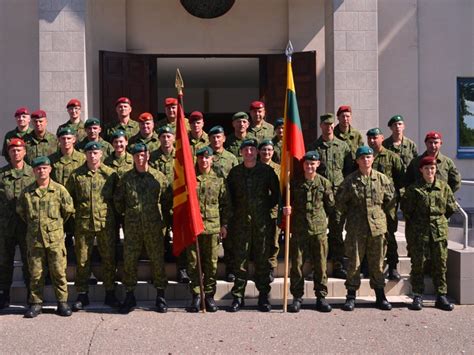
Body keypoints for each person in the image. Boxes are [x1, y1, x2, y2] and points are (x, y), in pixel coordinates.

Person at [336, 146, 396, 311]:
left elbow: (390, 202)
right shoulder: (349, 181)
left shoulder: (383, 180)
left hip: (377, 228)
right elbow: (340, 203)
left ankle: (380, 295)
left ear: (373, 159)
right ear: (357, 161)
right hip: (356, 228)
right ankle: (350, 296)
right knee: (354, 263)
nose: (366, 160)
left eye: (368, 157)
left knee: (377, 263)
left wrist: (385, 223)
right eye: (362, 158)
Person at [114, 143, 171, 314]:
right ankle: (129, 296)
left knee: (157, 261)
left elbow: (167, 201)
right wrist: (129, 216)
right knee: (129, 262)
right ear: (132, 157)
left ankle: (160, 295)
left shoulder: (158, 177)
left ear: (148, 155)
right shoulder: (126, 178)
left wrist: (162, 223)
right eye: (137, 155)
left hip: (154, 228)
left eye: (143, 154)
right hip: (133, 229)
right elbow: (118, 202)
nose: (140, 158)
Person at [17, 156, 75, 318]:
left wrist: (54, 227)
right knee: (36, 273)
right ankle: (36, 303)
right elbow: (22, 213)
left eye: (44, 168)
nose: (41, 171)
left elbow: (68, 211)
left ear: (50, 169)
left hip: (55, 239)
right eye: (38, 169)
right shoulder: (27, 193)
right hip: (35, 240)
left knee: (58, 272)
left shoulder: (60, 190)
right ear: (34, 171)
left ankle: (62, 302)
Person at [66, 141, 120, 311]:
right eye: (89, 153)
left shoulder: (111, 175)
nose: (92, 156)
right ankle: (82, 294)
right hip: (83, 224)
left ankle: (110, 292)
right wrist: (75, 216)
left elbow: (117, 200)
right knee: (82, 260)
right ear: (85, 155)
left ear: (101, 154)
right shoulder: (76, 175)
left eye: (96, 153)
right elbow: (69, 200)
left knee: (109, 259)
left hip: (106, 223)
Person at [227, 139, 280, 312]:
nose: (249, 152)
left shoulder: (266, 171)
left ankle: (263, 297)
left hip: (261, 223)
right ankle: (237, 297)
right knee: (240, 261)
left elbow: (276, 194)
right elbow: (230, 198)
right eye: (246, 149)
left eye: (252, 149)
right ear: (241, 152)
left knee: (262, 261)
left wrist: (263, 208)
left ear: (257, 152)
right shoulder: (235, 173)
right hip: (241, 223)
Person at [401, 156, 457, 311]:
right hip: (419, 232)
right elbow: (407, 210)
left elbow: (450, 208)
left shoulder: (444, 187)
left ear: (436, 170)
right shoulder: (414, 189)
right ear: (421, 170)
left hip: (438, 232)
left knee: (440, 264)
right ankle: (417, 295)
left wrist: (440, 222)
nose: (430, 171)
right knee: (418, 264)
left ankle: (441, 296)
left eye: (432, 168)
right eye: (426, 168)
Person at [283, 151, 335, 313]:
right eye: (307, 163)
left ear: (318, 164)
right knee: (297, 265)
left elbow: (331, 207)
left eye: (313, 163)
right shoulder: (295, 183)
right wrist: (287, 210)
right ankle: (297, 297)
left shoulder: (324, 184)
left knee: (320, 265)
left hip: (318, 231)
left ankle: (321, 297)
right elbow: (286, 202)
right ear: (303, 165)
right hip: (299, 229)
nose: (310, 166)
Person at [307, 113, 353, 279]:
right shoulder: (314, 147)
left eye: (330, 125)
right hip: (318, 194)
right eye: (325, 124)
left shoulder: (343, 146)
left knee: (336, 229)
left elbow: (349, 171)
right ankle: (316, 266)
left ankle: (338, 265)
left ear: (334, 126)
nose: (328, 127)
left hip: (338, 194)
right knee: (317, 232)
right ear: (321, 126)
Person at [186, 146, 230, 313]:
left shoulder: (219, 180)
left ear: (212, 159)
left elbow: (226, 205)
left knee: (211, 264)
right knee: (193, 263)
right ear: (197, 160)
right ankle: (196, 295)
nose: (204, 161)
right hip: (194, 229)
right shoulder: (190, 180)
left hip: (212, 228)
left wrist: (224, 225)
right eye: (201, 158)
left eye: (207, 158)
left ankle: (209, 295)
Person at [0, 138, 35, 309]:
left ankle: (31, 294)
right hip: (5, 226)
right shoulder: (2, 174)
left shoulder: (33, 173)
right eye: (12, 150)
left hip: (25, 226)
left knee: (29, 261)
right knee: (4, 261)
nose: (16, 153)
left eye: (19, 150)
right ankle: (3, 294)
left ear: (24, 152)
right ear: (8, 153)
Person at [366, 127, 405, 280]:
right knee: (369, 235)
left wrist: (396, 198)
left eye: (375, 137)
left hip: (387, 205)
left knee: (389, 234)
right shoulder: (365, 156)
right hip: (370, 203)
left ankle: (393, 266)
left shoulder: (392, 157)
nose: (372, 140)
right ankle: (369, 266)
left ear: (382, 138)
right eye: (369, 138)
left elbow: (401, 180)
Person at [49, 127, 86, 262]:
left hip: (77, 205)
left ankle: (83, 272)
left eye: (69, 138)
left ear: (74, 140)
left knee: (82, 242)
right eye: (63, 138)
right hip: (56, 207)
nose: (66, 141)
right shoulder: (51, 160)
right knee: (56, 242)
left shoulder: (82, 158)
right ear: (58, 140)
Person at [208, 125, 238, 282]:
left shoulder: (231, 158)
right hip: (209, 203)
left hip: (226, 202)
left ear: (224, 138)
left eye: (219, 137)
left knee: (229, 240)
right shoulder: (204, 156)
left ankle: (230, 269)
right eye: (213, 137)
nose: (216, 140)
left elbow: (235, 180)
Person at [258, 139, 280, 281]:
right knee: (260, 240)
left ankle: (271, 266)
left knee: (274, 240)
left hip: (274, 210)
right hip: (258, 210)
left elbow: (283, 190)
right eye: (264, 150)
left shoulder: (279, 168)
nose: (267, 152)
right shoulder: (254, 167)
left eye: (269, 150)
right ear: (259, 152)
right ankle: (260, 266)